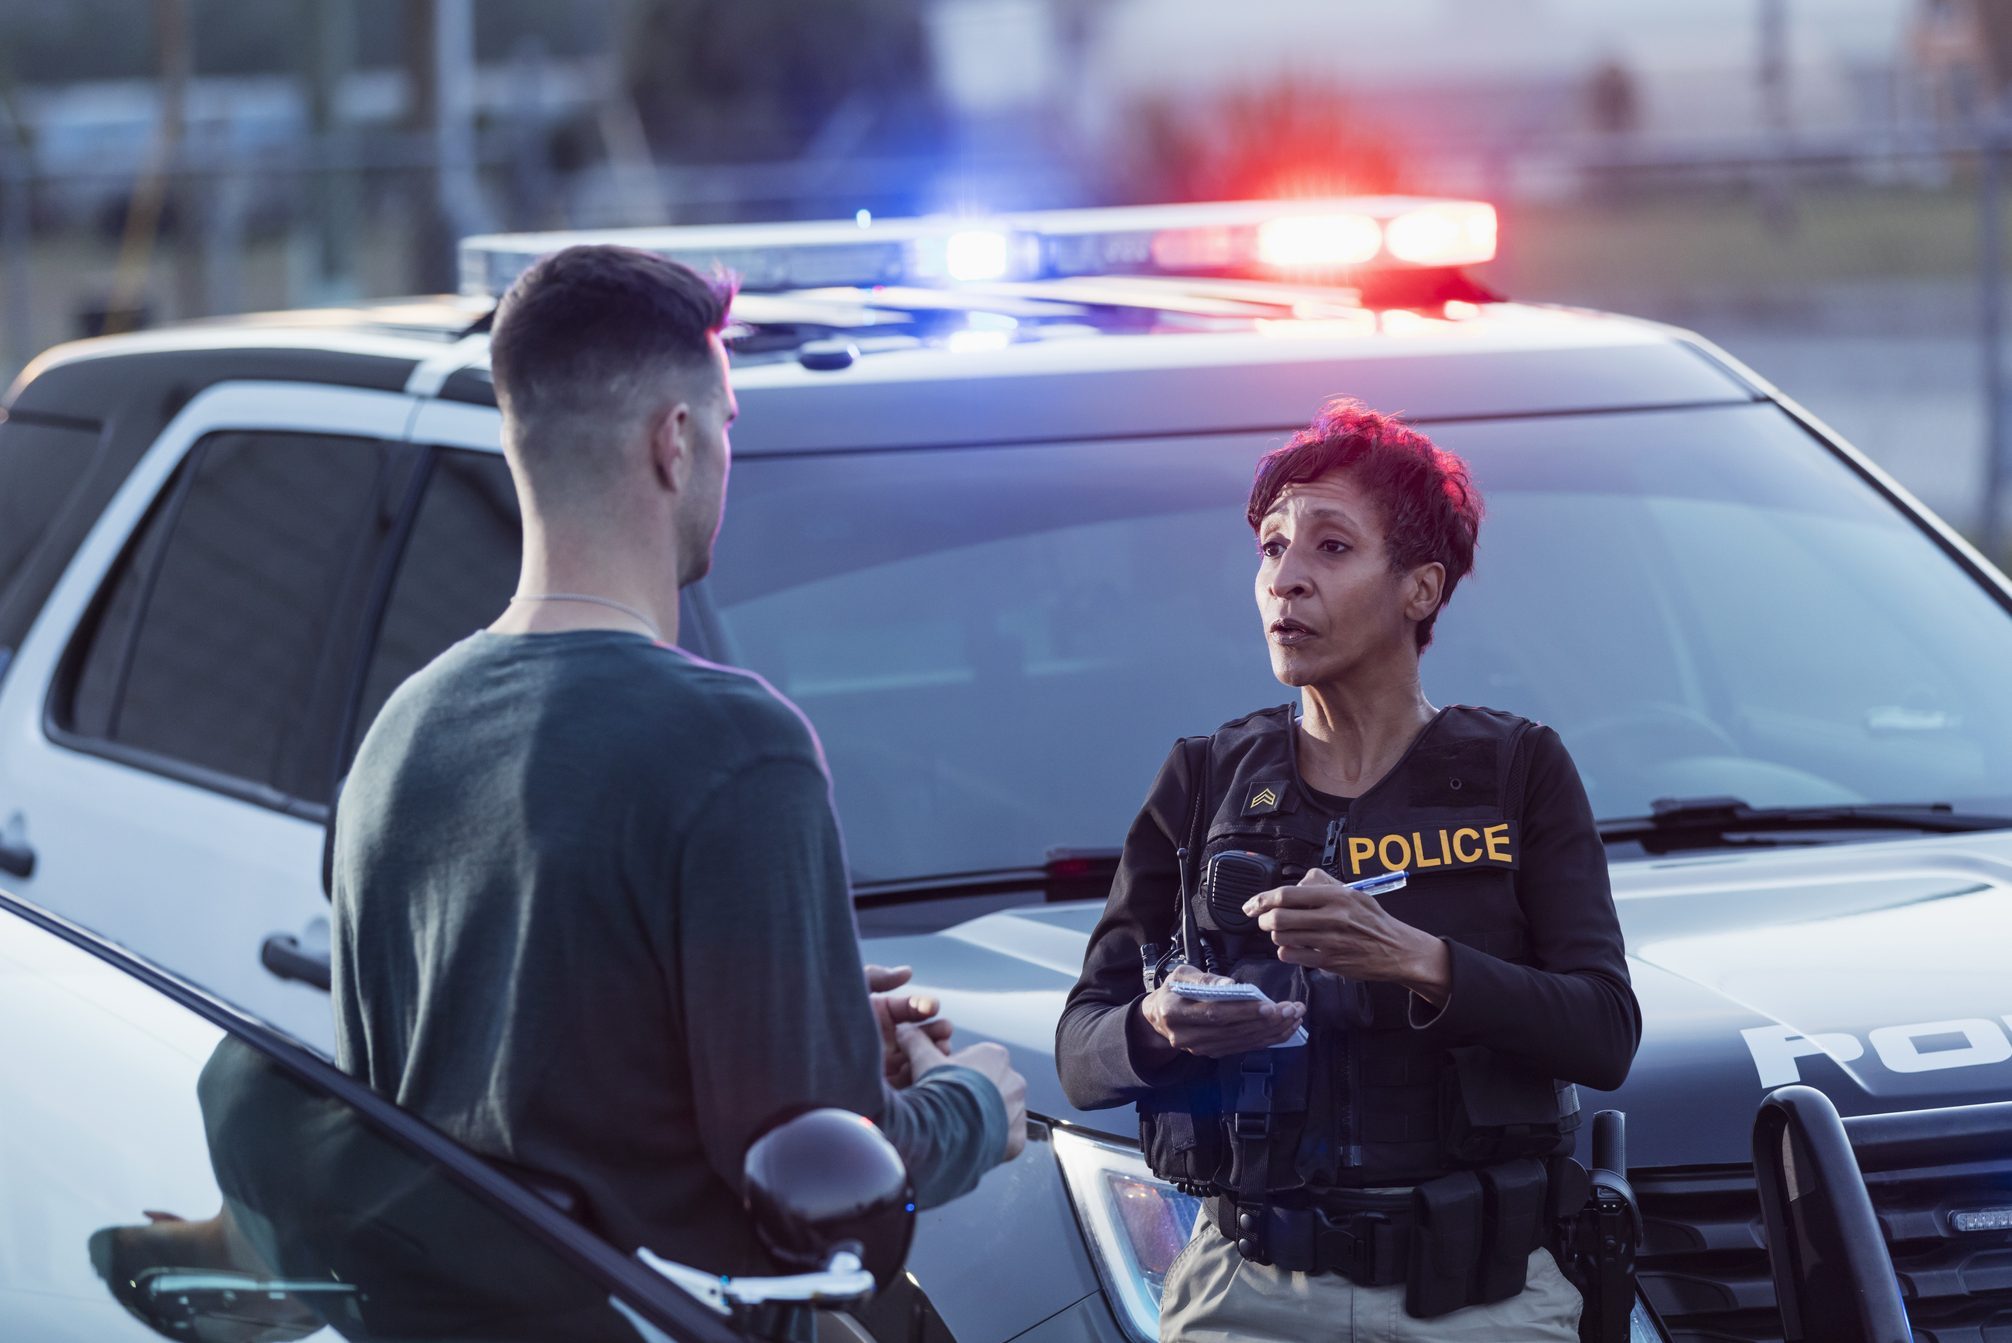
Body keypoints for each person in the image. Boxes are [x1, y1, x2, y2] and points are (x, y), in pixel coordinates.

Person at [331, 244, 1026, 1286]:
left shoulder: (398, 735)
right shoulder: (734, 744)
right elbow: (823, 1194)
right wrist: (970, 1106)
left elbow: (460, 1097)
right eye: (730, 425)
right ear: (676, 439)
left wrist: (811, 1017)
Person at [1055, 399, 1641, 1341]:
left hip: (1481, 1305)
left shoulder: (1520, 770)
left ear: (1419, 588)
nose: (1285, 580)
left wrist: (1417, 960)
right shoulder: (1202, 778)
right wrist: (1160, 1024)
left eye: (1330, 548)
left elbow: (1606, 1032)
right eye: (1271, 547)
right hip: (1246, 1296)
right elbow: (1081, 1053)